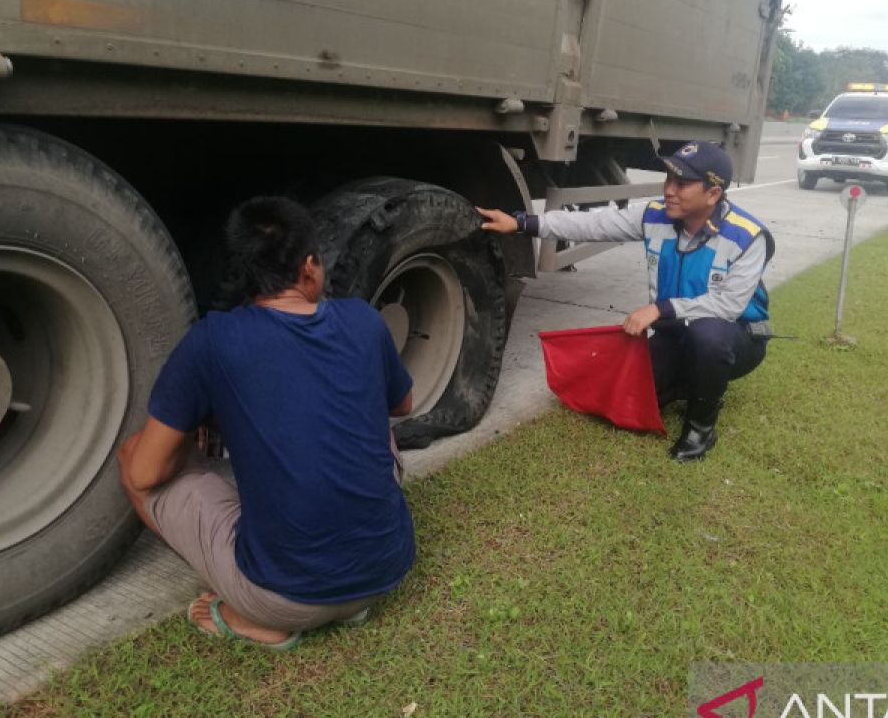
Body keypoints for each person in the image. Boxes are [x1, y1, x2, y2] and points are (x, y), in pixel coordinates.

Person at [117, 196, 415, 650]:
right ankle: (349, 602)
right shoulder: (364, 321)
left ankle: (254, 615)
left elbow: (144, 473)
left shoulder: (213, 340)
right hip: (386, 570)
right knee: (376, 424)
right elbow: (403, 405)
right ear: (310, 267)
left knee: (133, 454)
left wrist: (193, 435)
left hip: (281, 601)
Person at [478, 142, 775, 462]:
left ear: (713, 195)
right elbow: (597, 224)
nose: (670, 191)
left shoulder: (748, 236)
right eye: (668, 179)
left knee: (710, 338)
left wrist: (660, 309)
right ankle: (691, 382)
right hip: (676, 333)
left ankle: (701, 426)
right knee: (628, 396)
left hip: (735, 336)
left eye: (683, 184)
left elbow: (728, 306)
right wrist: (524, 224)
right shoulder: (656, 215)